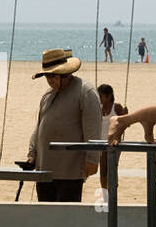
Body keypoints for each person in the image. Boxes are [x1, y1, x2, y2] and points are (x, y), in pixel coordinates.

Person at [27, 49, 102, 201]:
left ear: (65, 73)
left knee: (67, 213)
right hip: (44, 170)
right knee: (45, 212)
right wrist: (32, 153)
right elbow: (39, 127)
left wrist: (92, 159)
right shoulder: (48, 95)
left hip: (70, 172)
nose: (49, 80)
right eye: (47, 76)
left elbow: (93, 129)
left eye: (53, 76)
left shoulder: (85, 92)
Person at [96, 83, 127, 202]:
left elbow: (126, 124)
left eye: (101, 96)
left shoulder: (117, 107)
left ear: (109, 96)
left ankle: (113, 194)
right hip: (101, 143)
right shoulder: (97, 108)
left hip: (114, 143)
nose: (99, 98)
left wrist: (125, 114)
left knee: (112, 169)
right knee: (103, 171)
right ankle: (105, 197)